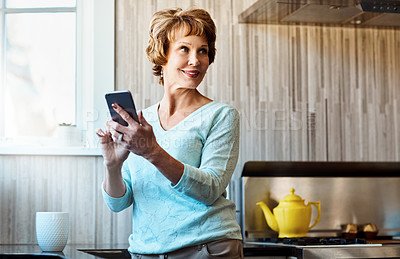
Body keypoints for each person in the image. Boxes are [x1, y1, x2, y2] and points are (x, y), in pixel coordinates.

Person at [96, 8, 243, 259]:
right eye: (184, 49)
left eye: (203, 51)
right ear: (162, 55)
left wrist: (152, 152)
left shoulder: (221, 116)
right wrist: (112, 166)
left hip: (206, 249)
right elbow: (118, 203)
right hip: (145, 252)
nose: (196, 60)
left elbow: (211, 189)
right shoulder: (141, 124)